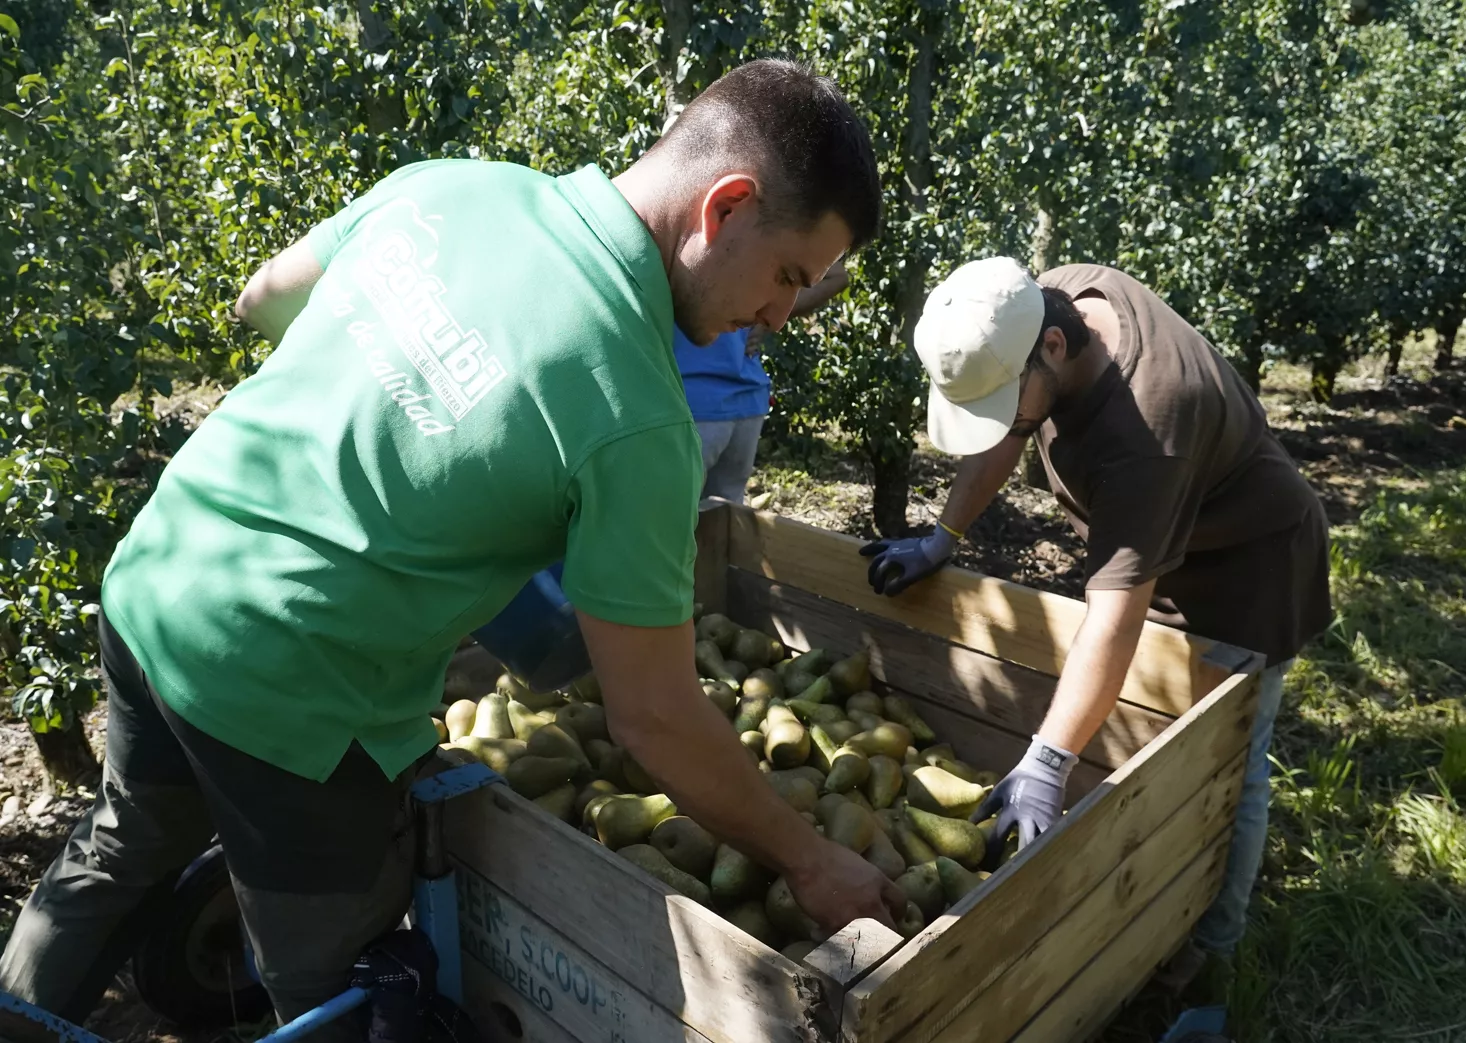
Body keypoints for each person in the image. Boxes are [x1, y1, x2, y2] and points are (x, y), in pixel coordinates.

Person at [0, 60, 904, 1035]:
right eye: (788, 277)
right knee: (333, 985)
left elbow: (264, 297)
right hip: (292, 687)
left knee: (123, 841)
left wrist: (427, 466)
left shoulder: (457, 187)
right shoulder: (638, 419)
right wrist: (810, 857)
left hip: (163, 578)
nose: (776, 319)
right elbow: (655, 719)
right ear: (724, 207)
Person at [861, 257, 1331, 1009]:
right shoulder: (1051, 300)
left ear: (1052, 347)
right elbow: (1006, 430)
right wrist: (943, 535)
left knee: (1228, 762)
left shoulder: (1150, 421)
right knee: (1161, 749)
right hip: (1165, 542)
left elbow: (1114, 615)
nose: (1010, 418)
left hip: (1245, 569)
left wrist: (1047, 760)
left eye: (1008, 400)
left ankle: (1206, 963)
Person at [673, 262, 849, 504]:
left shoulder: (686, 241)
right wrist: (765, 316)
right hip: (746, 401)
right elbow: (837, 275)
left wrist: (764, 317)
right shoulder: (765, 232)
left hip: (692, 402)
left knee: (671, 516)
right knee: (724, 519)